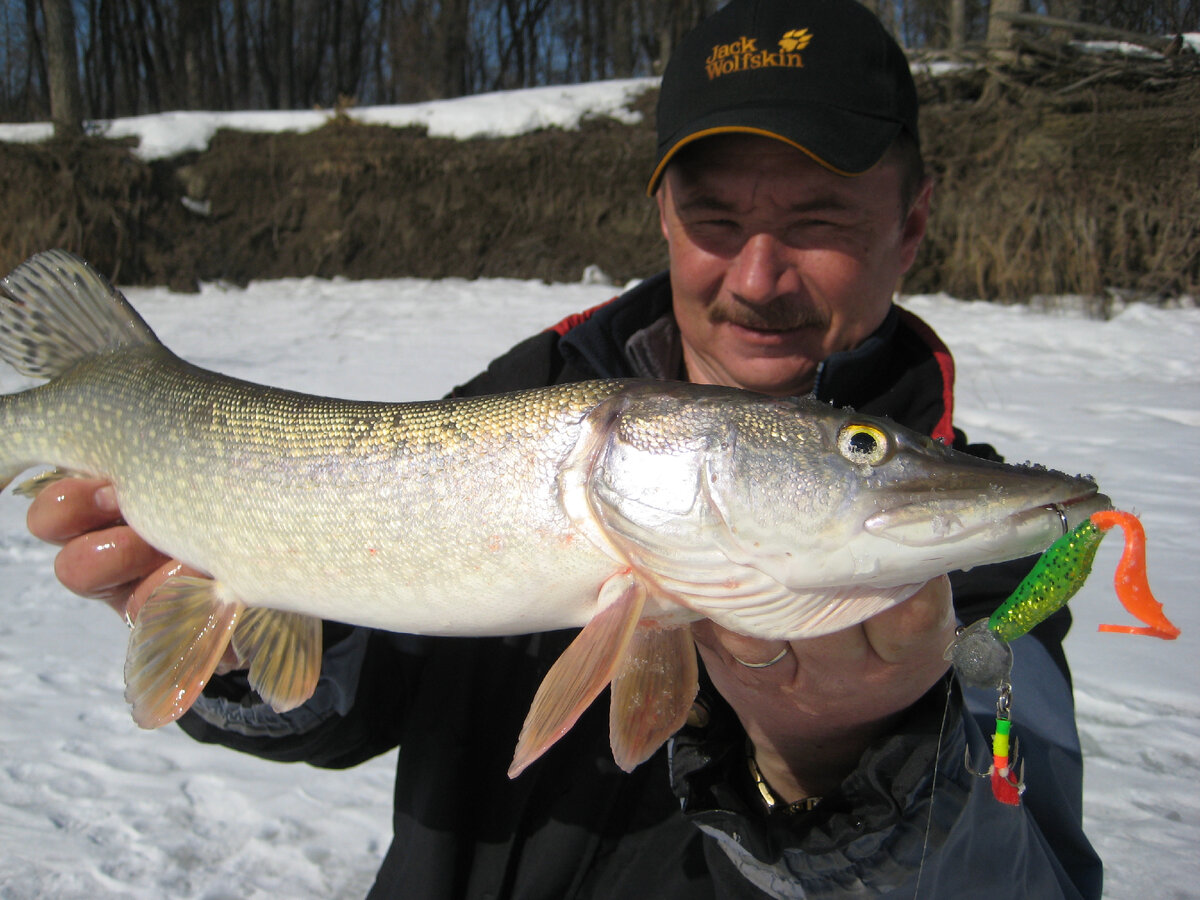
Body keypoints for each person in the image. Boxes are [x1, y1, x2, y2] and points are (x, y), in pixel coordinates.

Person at [25, 0, 1102, 896]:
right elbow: (360, 687)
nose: (759, 277)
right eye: (716, 218)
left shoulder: (983, 574)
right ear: (666, 217)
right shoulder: (531, 402)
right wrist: (247, 650)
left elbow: (1033, 869)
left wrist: (853, 766)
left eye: (818, 219)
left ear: (911, 224)